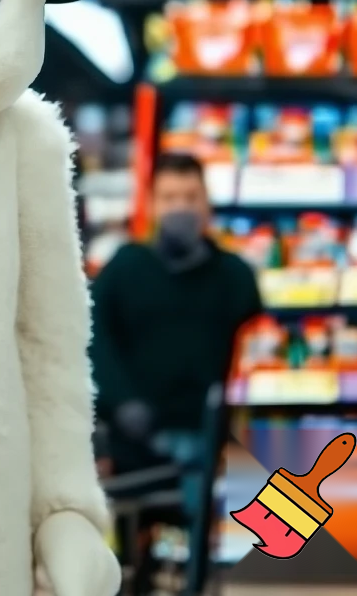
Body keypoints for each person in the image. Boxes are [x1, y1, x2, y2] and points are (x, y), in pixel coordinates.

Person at [90, 152, 262, 516]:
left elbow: (256, 353)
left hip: (213, 441)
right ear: (152, 205)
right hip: (136, 443)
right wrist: (122, 402)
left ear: (206, 204)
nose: (181, 207)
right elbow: (92, 337)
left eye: (190, 197)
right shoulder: (124, 269)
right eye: (169, 198)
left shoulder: (235, 277)